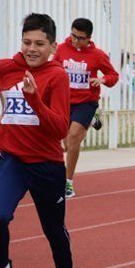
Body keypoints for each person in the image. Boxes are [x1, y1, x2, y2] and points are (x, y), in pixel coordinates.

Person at [0, 13, 74, 268]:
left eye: (39, 44)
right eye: (27, 41)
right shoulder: (6, 68)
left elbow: (59, 128)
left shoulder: (57, 76)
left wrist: (34, 100)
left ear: (52, 46)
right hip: (14, 161)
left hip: (47, 165)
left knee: (53, 231)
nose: (32, 48)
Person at [53, 18, 119, 198]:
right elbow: (53, 68)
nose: (75, 41)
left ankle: (68, 183)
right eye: (73, 36)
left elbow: (113, 75)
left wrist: (103, 80)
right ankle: (94, 118)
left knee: (73, 137)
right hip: (64, 101)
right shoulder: (61, 49)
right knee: (66, 143)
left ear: (89, 38)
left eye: (80, 38)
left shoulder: (97, 55)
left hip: (86, 102)